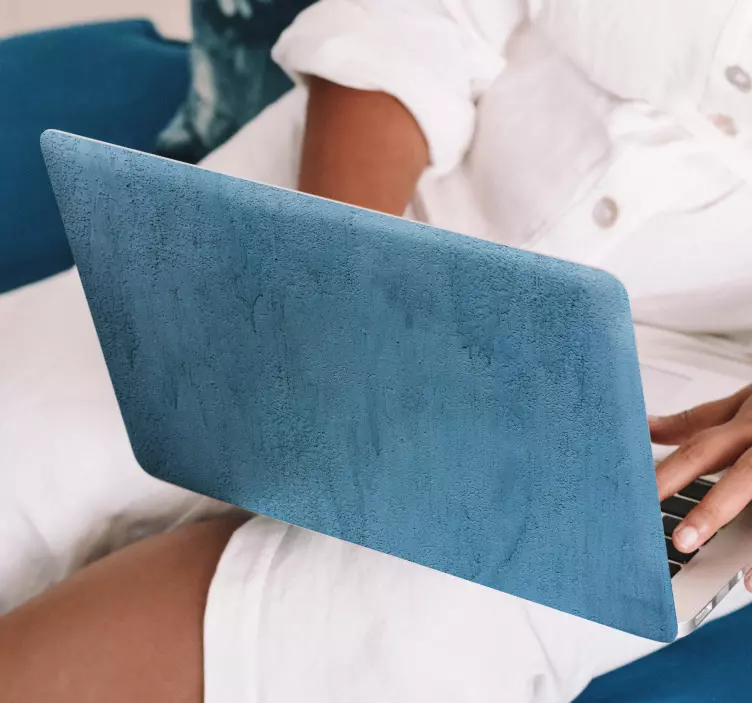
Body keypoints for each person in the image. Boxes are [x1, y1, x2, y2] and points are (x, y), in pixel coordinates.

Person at [2, 1, 752, 701]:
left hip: (690, 390)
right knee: (31, 438)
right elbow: (410, 21)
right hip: (375, 193)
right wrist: (339, 273)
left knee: (389, 630)